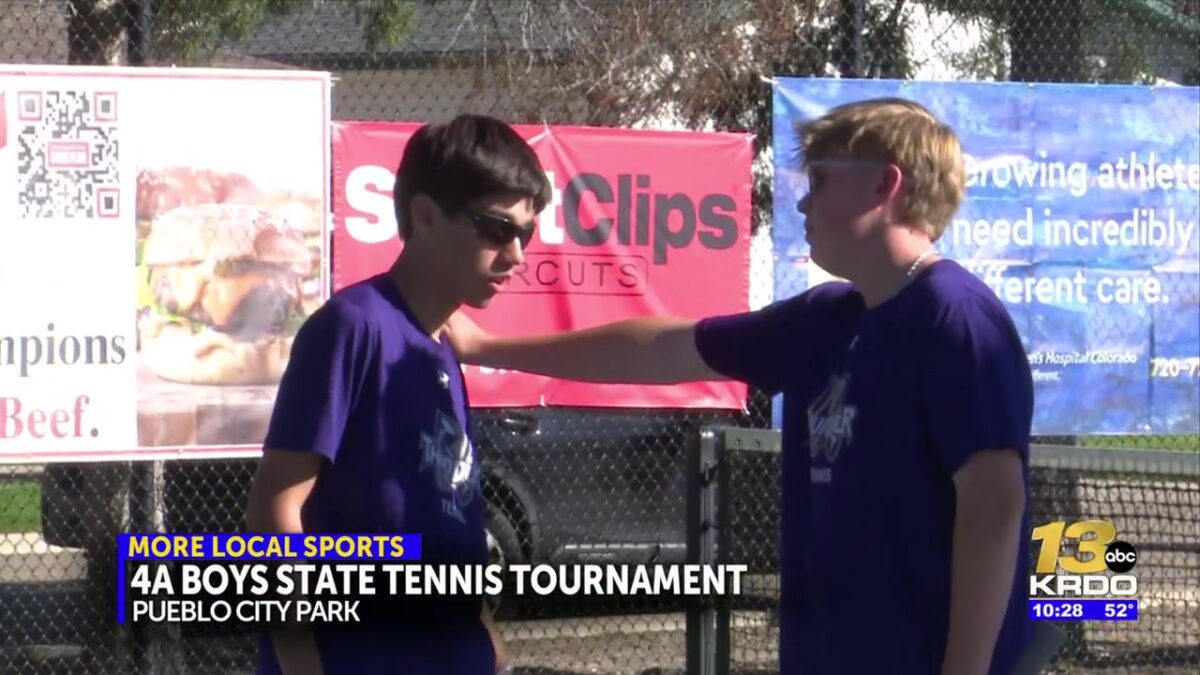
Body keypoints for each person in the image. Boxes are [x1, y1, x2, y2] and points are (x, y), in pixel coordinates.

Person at [444, 98, 1034, 675]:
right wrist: (488, 348)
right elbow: (665, 346)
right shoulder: (826, 318)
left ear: (885, 186)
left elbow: (994, 504)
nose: (802, 202)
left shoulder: (953, 316)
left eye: (821, 179)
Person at [244, 113, 551, 675]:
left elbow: (451, 515)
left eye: (525, 232)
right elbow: (274, 509)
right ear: (425, 214)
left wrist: (489, 645)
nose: (516, 256)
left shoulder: (442, 349)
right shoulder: (352, 328)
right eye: (496, 228)